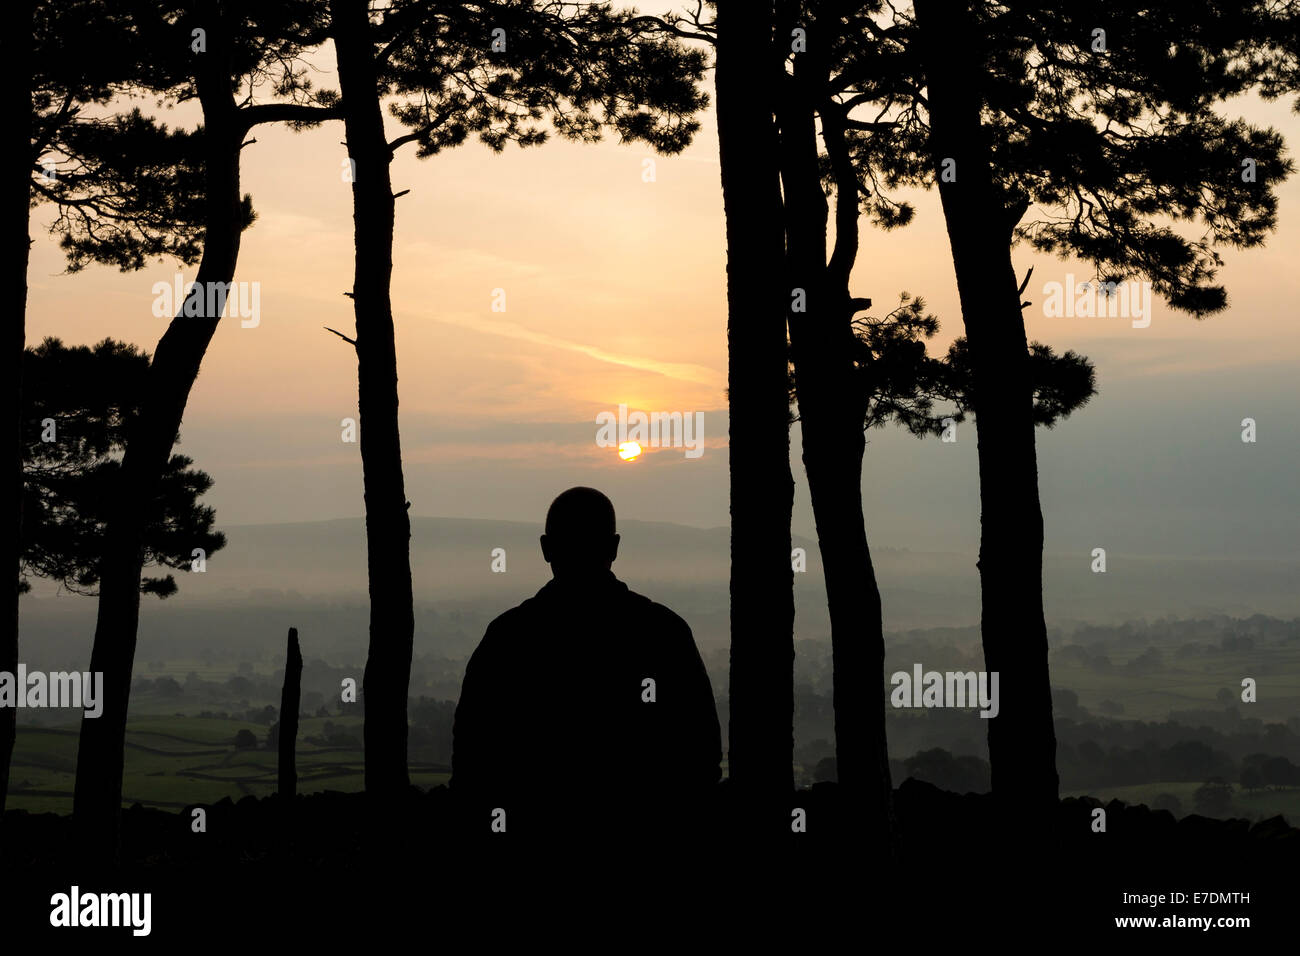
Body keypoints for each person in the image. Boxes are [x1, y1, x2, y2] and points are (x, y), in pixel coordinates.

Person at [451, 487, 721, 835]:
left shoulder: (509, 637)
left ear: (546, 549)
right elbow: (701, 753)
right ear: (614, 547)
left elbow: (472, 759)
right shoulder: (662, 632)